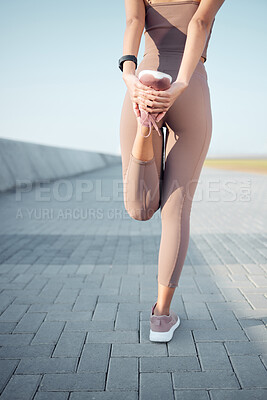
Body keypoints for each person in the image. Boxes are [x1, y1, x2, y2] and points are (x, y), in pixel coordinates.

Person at [119, 0, 225, 342]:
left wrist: (130, 77)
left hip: (143, 83)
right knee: (176, 211)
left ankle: (144, 129)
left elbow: (135, 20)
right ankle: (161, 318)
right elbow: (200, 23)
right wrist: (179, 84)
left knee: (140, 208)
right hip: (188, 84)